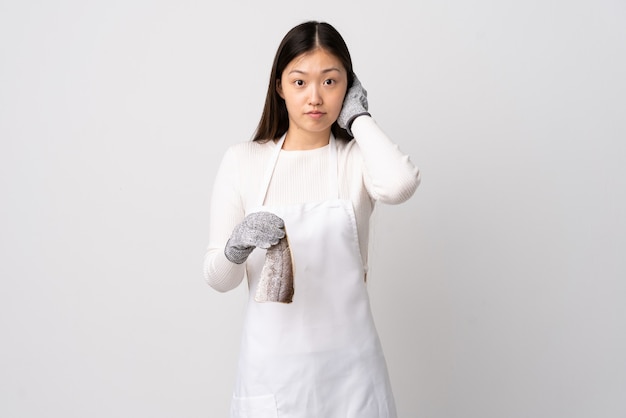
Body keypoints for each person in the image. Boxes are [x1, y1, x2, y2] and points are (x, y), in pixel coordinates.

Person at [203, 20, 420, 418]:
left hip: (353, 376)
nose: (315, 97)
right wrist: (237, 246)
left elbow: (401, 184)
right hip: (273, 378)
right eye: (300, 82)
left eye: (331, 81)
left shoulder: (356, 160)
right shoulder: (243, 161)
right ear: (279, 87)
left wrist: (359, 120)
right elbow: (219, 278)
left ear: (349, 88)